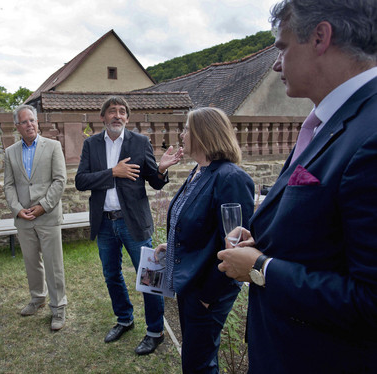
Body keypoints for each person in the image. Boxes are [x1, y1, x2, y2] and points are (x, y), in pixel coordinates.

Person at [217, 1, 377, 373]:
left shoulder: (370, 134)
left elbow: (370, 300)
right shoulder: (328, 121)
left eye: (282, 47)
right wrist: (264, 237)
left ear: (320, 37)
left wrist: (261, 267)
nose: (276, 64)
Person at [75, 96, 183, 355]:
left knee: (149, 278)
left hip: (133, 223)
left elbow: (154, 182)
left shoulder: (140, 142)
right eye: (112, 111)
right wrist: (113, 172)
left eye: (122, 111)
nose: (117, 115)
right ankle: (125, 319)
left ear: (127, 117)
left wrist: (161, 169)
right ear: (103, 117)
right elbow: (80, 181)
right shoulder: (91, 145)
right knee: (112, 275)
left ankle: (155, 332)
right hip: (104, 224)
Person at [154, 107, 254, 373]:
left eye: (186, 129)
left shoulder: (230, 178)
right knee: (196, 359)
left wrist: (208, 297)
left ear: (203, 134)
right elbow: (201, 225)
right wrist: (174, 242)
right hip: (191, 284)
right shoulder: (199, 171)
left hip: (206, 291)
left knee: (199, 365)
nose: (182, 134)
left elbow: (235, 246)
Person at [3, 104, 67, 331]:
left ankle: (59, 308)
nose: (29, 125)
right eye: (24, 122)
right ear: (17, 126)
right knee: (31, 263)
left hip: (47, 215)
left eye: (32, 120)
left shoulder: (53, 147)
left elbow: (60, 181)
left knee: (53, 263)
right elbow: (9, 185)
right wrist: (17, 209)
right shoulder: (10, 152)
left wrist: (43, 206)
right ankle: (37, 298)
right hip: (24, 218)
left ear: (37, 122)